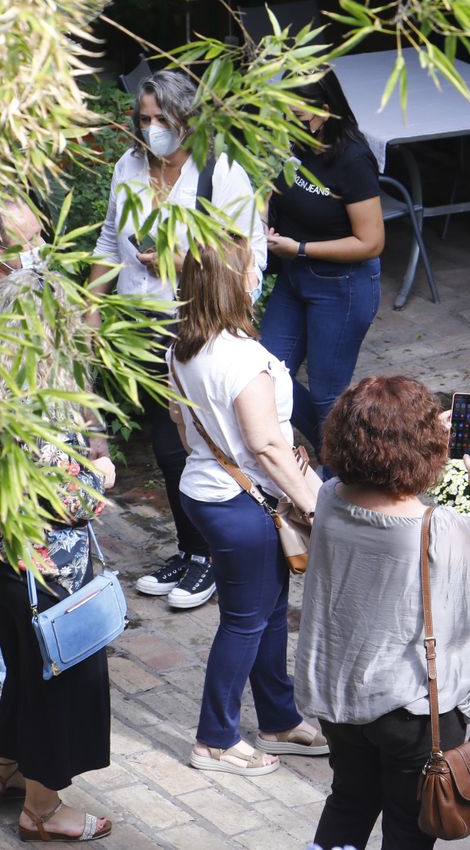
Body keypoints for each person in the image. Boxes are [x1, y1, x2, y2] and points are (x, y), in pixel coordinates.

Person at [0, 199, 118, 843]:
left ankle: (3, 767)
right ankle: (43, 806)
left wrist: (95, 445)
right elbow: (66, 495)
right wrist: (94, 479)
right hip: (38, 544)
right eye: (35, 245)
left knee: (18, 650)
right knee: (59, 667)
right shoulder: (24, 361)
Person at [295, 376, 470, 850]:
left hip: (340, 697)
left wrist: (412, 433)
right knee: (406, 829)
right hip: (411, 711)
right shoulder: (437, 529)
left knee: (348, 801)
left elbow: (374, 463)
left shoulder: (329, 500)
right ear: (424, 448)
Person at [89, 69, 265, 611]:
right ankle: (191, 550)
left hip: (196, 323)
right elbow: (109, 236)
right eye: (142, 119)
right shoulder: (130, 166)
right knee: (165, 447)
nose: (150, 129)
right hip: (139, 323)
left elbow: (242, 256)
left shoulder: (221, 172)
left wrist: (181, 261)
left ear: (186, 120)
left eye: (160, 120)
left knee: (196, 441)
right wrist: (92, 306)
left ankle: (212, 555)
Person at [165, 239, 325, 775]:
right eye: (252, 268)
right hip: (242, 503)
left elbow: (182, 427)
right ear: (236, 284)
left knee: (268, 608)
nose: (259, 274)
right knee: (244, 621)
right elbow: (268, 447)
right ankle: (215, 739)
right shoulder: (245, 359)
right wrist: (318, 507)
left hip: (207, 490)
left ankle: (278, 718)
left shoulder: (182, 349)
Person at [261, 71, 385, 451]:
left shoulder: (352, 159)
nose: (290, 127)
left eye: (297, 118)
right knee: (265, 374)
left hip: (341, 286)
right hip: (294, 277)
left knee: (327, 396)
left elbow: (371, 241)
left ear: (324, 111)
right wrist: (262, 221)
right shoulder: (292, 143)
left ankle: (334, 482)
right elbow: (270, 187)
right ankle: (338, 451)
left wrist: (299, 248)